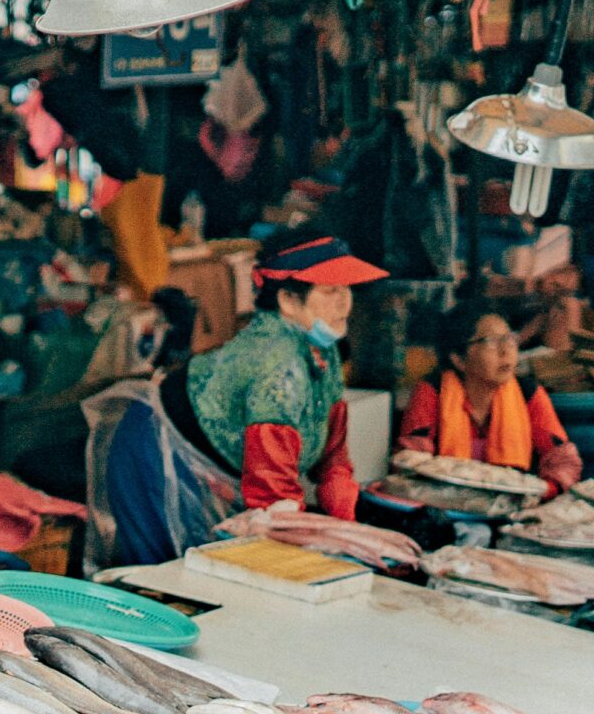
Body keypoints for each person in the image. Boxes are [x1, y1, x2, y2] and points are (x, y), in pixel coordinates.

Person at [85, 228, 385, 568]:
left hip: (214, 464)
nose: (344, 301)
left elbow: (332, 457)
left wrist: (349, 527)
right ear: (287, 300)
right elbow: (273, 496)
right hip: (153, 450)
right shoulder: (278, 364)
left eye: (346, 288)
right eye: (330, 290)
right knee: (163, 579)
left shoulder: (323, 350)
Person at [397, 304, 584, 496]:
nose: (506, 351)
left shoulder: (528, 393)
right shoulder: (432, 391)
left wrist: (544, 490)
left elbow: (563, 459)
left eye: (509, 339)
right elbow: (410, 460)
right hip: (445, 502)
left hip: (512, 505)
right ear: (459, 360)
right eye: (491, 341)